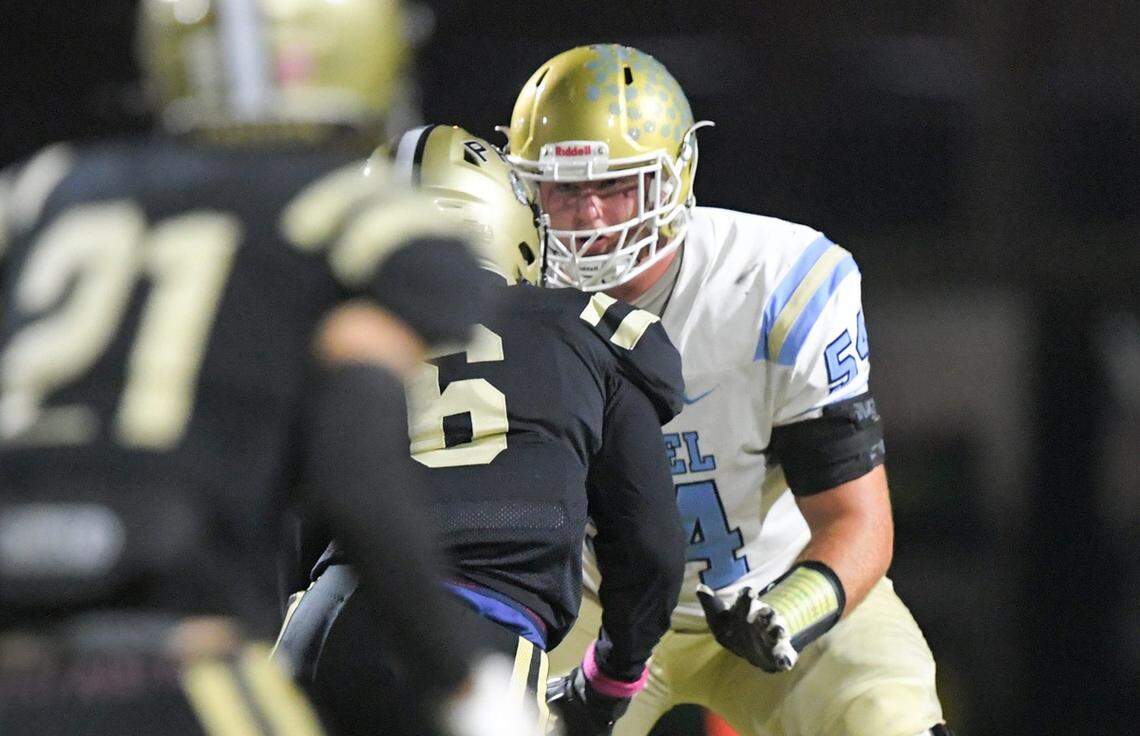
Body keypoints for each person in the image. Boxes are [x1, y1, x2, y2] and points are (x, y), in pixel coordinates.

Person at [0, 3, 531, 735]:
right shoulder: (354, 215)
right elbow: (357, 478)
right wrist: (464, 679)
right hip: (181, 665)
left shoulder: (38, 192)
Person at [504, 44, 953, 736]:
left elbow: (856, 519)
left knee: (886, 716)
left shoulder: (777, 281)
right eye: (565, 188)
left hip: (774, 584)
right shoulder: (510, 286)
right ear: (527, 188)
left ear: (675, 175)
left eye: (617, 184)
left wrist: (794, 608)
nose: (591, 216)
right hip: (593, 610)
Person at [273, 123, 688, 736]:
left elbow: (290, 514)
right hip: (476, 634)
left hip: (319, 622)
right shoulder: (592, 330)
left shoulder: (332, 341)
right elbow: (650, 546)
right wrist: (610, 679)